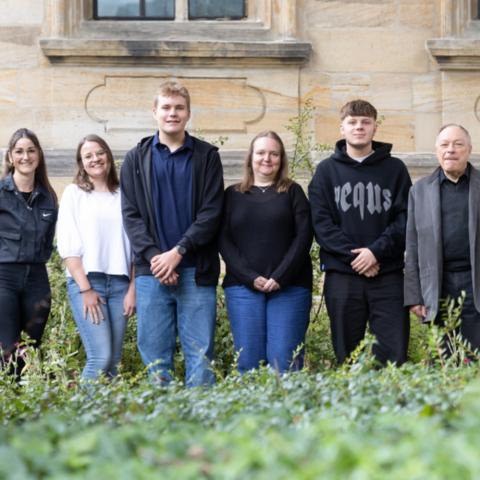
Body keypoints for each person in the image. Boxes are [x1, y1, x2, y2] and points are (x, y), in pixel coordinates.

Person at [120, 80, 224, 387]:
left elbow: (211, 213)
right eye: (166, 107)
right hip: (151, 275)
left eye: (179, 108)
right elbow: (131, 216)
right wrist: (157, 259)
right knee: (155, 359)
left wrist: (177, 254)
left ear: (188, 113)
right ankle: (160, 429)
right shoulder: (136, 159)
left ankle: (200, 429)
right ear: (154, 112)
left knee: (201, 356)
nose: (172, 113)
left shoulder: (206, 157)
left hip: (196, 270)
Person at [308, 99, 412, 365]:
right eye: (352, 122)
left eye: (365, 122)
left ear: (375, 128)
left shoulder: (395, 170)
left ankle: (393, 406)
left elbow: (405, 219)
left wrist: (375, 253)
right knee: (346, 356)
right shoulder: (325, 172)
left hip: (387, 275)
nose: (359, 127)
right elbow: (322, 225)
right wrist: (358, 258)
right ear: (341, 128)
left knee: (393, 356)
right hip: (342, 276)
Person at [219, 131, 312, 373]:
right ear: (251, 157)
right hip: (242, 288)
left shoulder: (292, 192)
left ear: (281, 159)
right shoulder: (232, 195)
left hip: (289, 287)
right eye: (261, 153)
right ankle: (253, 412)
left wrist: (279, 276)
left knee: (284, 361)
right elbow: (224, 240)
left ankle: (288, 411)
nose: (267, 158)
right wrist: (250, 277)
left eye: (274, 154)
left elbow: (303, 238)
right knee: (249, 362)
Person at [56, 134, 135, 381]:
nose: (95, 159)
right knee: (99, 357)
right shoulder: (74, 193)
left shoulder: (124, 195)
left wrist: (133, 288)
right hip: (88, 282)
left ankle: (105, 418)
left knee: (113, 360)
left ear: (109, 156)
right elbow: (69, 247)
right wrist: (86, 290)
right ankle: (81, 418)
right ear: (81, 163)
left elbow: (135, 246)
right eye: (88, 156)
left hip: (121, 284)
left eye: (99, 153)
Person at [405, 124, 480, 353]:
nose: (451, 150)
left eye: (458, 144)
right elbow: (412, 245)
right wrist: (414, 295)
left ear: (469, 149)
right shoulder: (419, 191)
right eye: (444, 145)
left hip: (475, 282)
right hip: (438, 285)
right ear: (437, 151)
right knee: (444, 360)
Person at [0, 128, 57, 368]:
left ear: (39, 155)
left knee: (29, 350)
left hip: (37, 279)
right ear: (11, 157)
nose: (26, 157)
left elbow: (50, 241)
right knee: (8, 349)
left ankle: (27, 401)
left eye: (31, 151)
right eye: (19, 151)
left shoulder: (48, 197)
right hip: (5, 278)